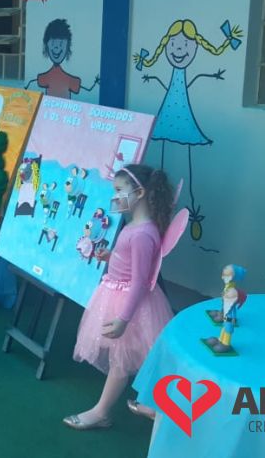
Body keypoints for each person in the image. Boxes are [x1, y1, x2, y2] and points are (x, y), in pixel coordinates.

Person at [64, 164, 176, 430]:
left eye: (118, 190)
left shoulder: (142, 233)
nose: (114, 196)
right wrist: (111, 257)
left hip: (130, 304)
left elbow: (139, 281)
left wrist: (124, 319)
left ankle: (103, 411)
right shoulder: (134, 227)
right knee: (130, 358)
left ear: (139, 192)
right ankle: (151, 404)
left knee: (125, 359)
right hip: (120, 296)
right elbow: (131, 264)